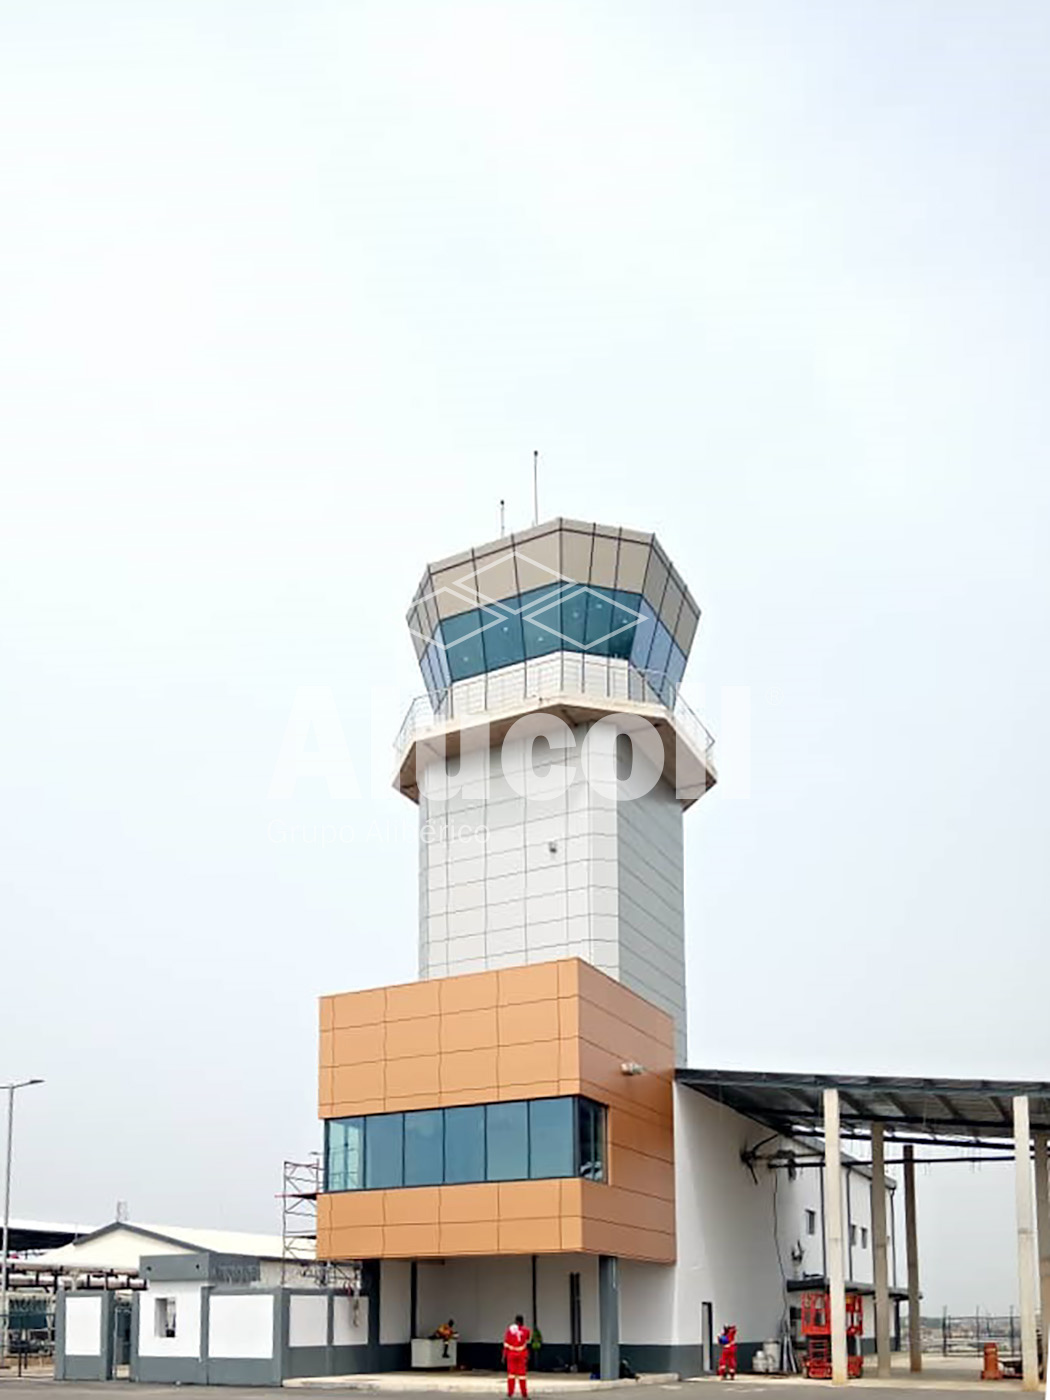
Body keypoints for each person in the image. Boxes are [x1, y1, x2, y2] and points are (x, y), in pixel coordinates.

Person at [503, 1313, 531, 1397]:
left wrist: (504, 1355)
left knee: (511, 1375)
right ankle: (524, 1394)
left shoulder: (509, 1330)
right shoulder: (526, 1331)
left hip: (511, 1354)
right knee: (522, 1375)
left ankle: (510, 1393)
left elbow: (506, 1344)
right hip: (521, 1354)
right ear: (522, 1322)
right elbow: (526, 1340)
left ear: (515, 1321)